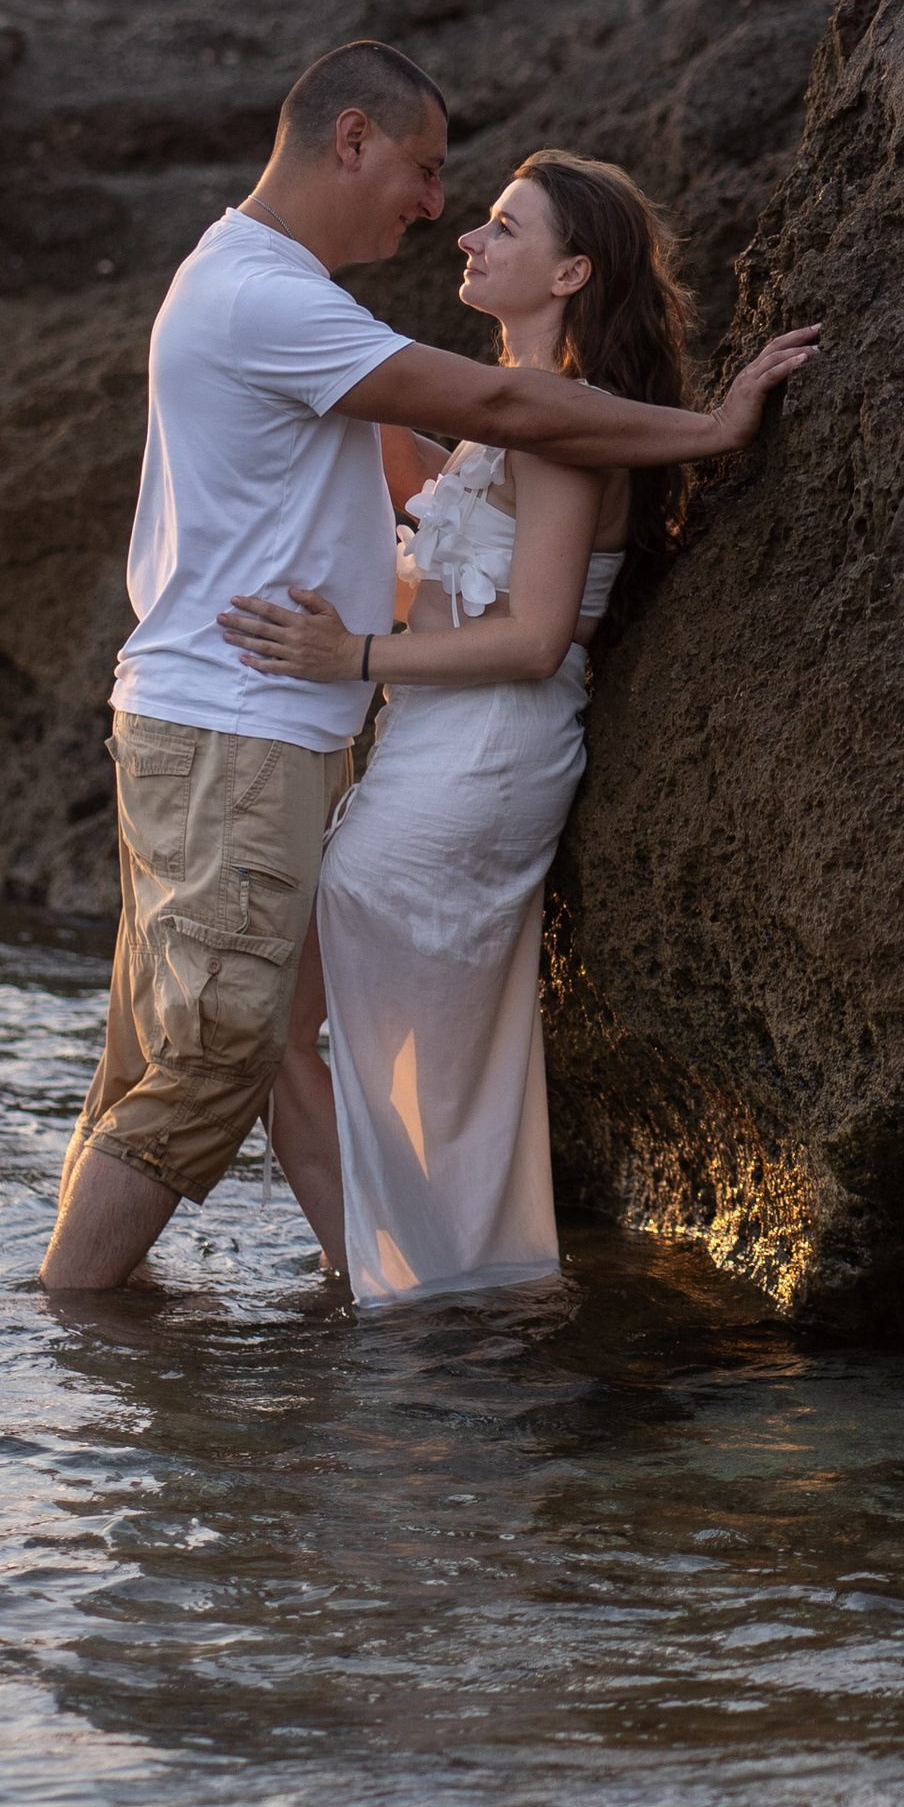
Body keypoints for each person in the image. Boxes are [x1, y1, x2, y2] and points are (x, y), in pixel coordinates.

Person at [38, 44, 819, 1293]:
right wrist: (709, 431)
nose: (440, 215)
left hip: (379, 741)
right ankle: (344, 1292)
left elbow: (505, 562)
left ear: (570, 272)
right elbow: (491, 438)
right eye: (427, 172)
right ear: (350, 139)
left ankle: (376, 1291)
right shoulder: (276, 300)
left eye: (485, 211)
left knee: (224, 1047)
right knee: (228, 1050)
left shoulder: (268, 294)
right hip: (266, 731)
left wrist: (356, 643)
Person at [223, 153, 696, 1304]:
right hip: (430, 750)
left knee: (395, 1058)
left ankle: (415, 1300)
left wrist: (356, 656)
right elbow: (445, 535)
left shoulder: (557, 430)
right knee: (288, 1030)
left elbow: (536, 636)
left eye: (501, 228)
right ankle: (388, 1283)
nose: (469, 243)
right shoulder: (506, 426)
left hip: (484, 758)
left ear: (571, 271)